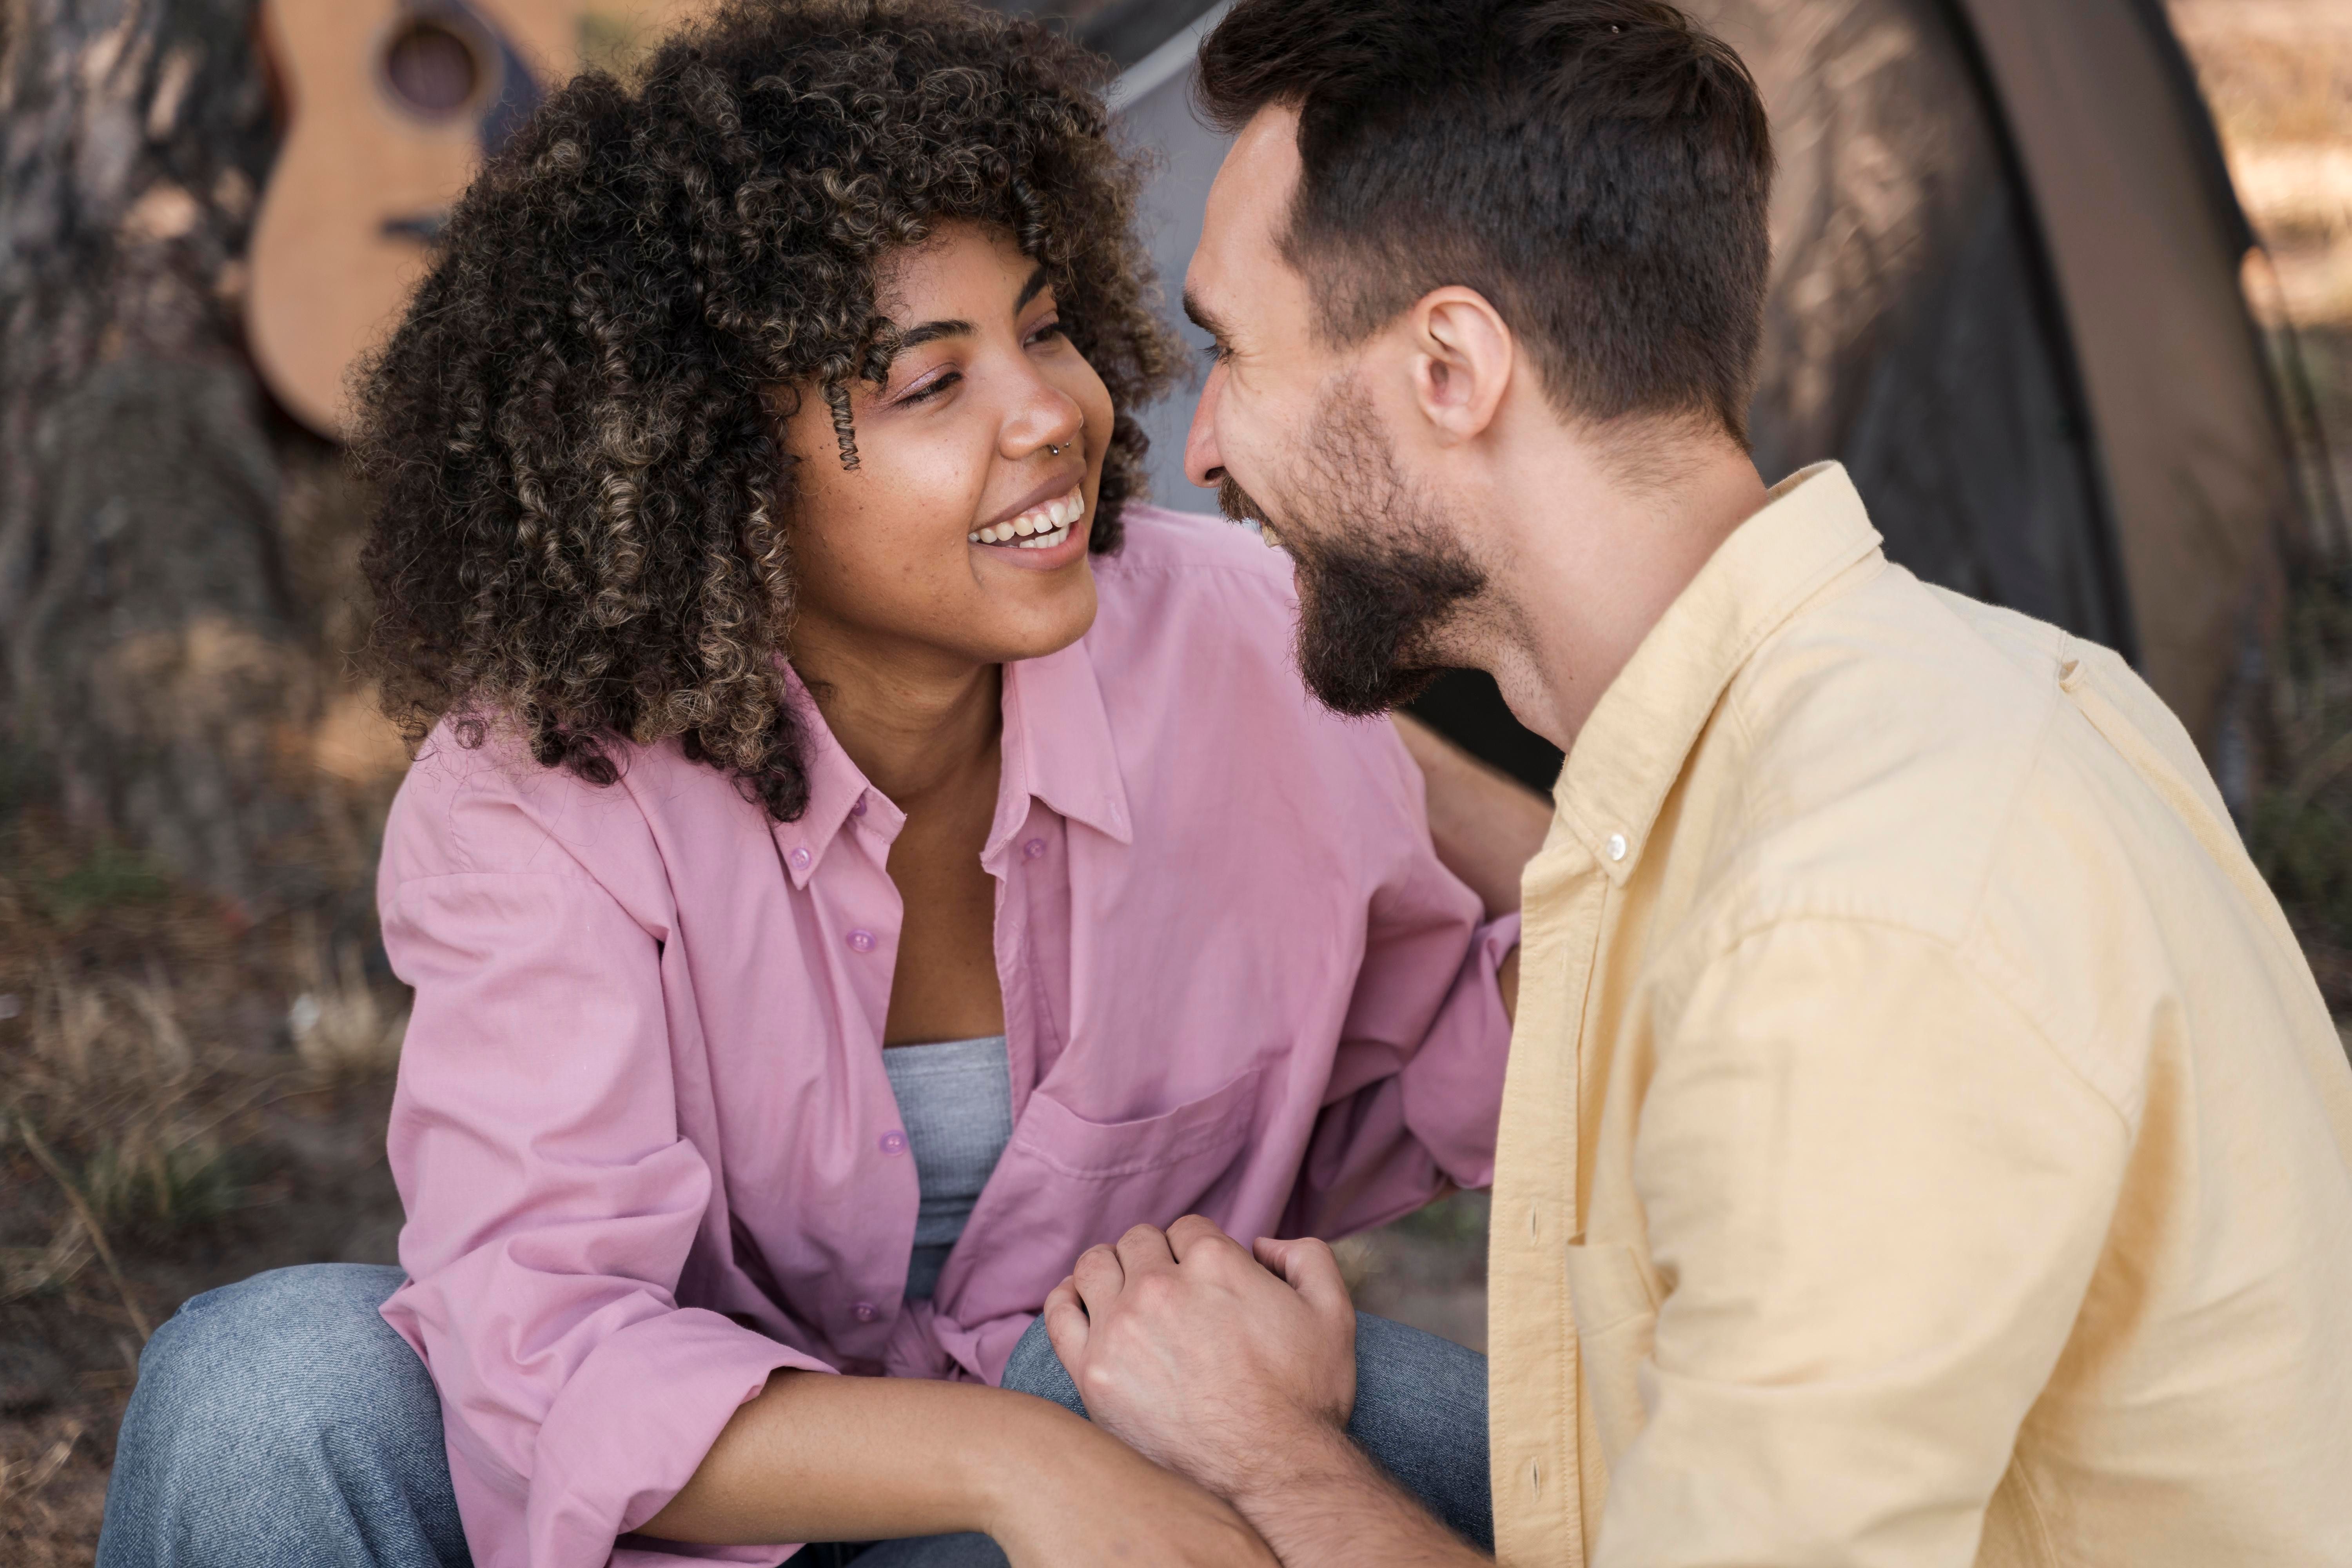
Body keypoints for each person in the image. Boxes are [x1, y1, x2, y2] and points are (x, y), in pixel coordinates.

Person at [94, 4, 1545, 1566]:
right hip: (697, 1520)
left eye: (1045, 329)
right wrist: (1022, 1468)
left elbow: (1533, 1023)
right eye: (933, 385)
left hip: (1101, 1461)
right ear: (718, 471)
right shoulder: (545, 789)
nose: (1051, 413)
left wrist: (1477, 782)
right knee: (264, 1386)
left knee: (1459, 1446)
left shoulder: (1228, 645)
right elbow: (546, 1353)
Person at [1035, 1, 2352, 1566]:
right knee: (1088, 1403)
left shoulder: (1844, 933)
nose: (1201, 449)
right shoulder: (1937, 695)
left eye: (1234, 353)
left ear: (1451, 367)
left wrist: (1276, 1461)